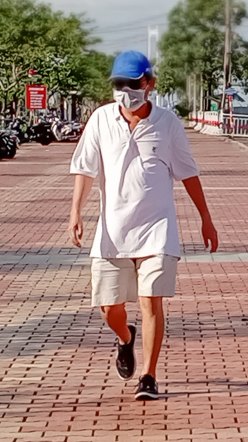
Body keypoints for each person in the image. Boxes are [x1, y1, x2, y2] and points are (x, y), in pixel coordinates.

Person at [68, 50, 218, 401]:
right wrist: (75, 211)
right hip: (112, 232)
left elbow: (188, 173)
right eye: (119, 85)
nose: (125, 91)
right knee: (110, 309)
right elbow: (85, 169)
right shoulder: (101, 119)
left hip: (157, 229)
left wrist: (205, 217)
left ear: (149, 84)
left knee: (151, 301)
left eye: (133, 84)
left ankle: (148, 376)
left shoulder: (168, 124)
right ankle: (125, 338)